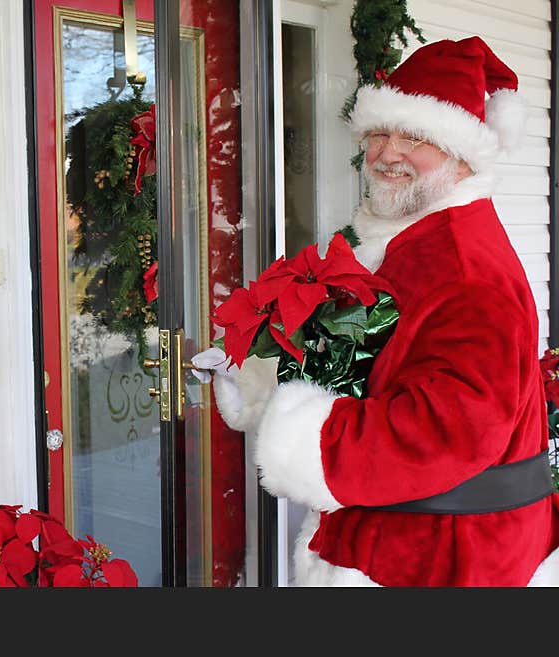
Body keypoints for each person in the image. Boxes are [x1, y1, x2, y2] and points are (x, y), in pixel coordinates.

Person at [193, 36, 559, 586]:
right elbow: (371, 360)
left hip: (445, 560)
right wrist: (262, 374)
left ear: (462, 157)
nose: (388, 154)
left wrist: (308, 434)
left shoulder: (464, 268)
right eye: (379, 135)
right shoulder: (409, 241)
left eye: (415, 138)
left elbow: (452, 429)